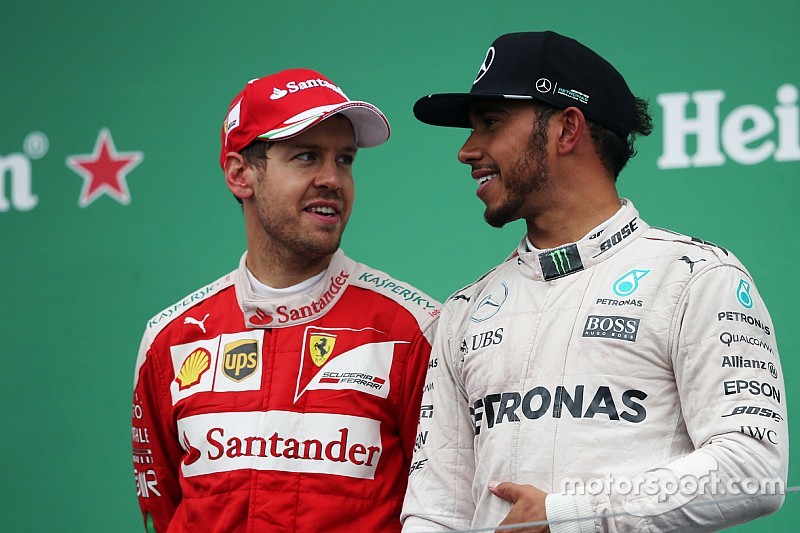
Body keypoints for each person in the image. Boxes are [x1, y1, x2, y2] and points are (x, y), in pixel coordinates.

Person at [401, 31, 787, 532]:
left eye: (490, 123)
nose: (467, 150)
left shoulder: (696, 277)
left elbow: (753, 468)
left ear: (567, 129)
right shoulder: (464, 310)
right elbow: (437, 513)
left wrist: (568, 514)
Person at [131, 68, 440, 532]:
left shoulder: (413, 329)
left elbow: (446, 506)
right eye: (307, 156)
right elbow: (168, 509)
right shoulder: (169, 339)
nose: (332, 179)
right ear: (240, 175)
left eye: (345, 159)